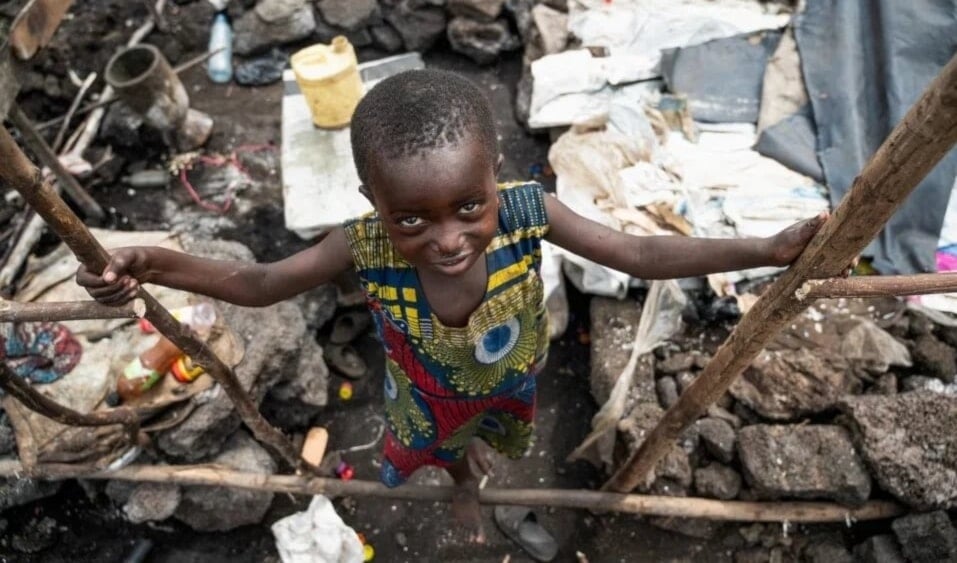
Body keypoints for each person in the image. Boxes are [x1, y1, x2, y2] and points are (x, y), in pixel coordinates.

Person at [77, 69, 828, 542]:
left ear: (496, 174)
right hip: (424, 388)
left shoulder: (532, 211)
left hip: (510, 373)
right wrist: (149, 262)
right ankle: (463, 489)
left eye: (470, 205)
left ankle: (477, 473)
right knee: (440, 448)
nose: (447, 238)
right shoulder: (361, 242)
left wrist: (760, 249)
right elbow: (259, 284)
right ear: (374, 203)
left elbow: (638, 253)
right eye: (412, 218)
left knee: (496, 429)